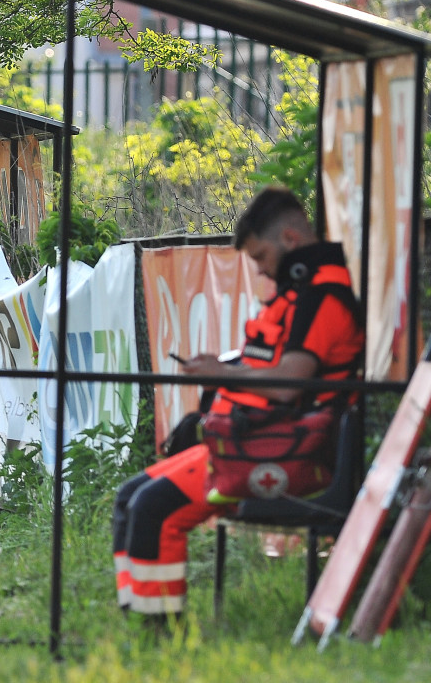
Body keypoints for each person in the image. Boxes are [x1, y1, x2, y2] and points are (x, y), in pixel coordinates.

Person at [112, 187, 363, 618]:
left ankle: (160, 632)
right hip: (254, 439)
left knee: (152, 507)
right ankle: (137, 615)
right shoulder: (303, 292)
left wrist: (222, 373)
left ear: (290, 240)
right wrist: (224, 367)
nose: (263, 272)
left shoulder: (321, 296)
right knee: (129, 494)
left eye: (262, 257)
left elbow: (289, 385)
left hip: (287, 451)